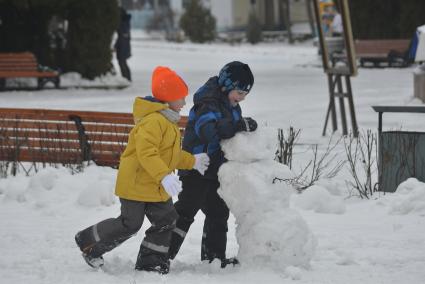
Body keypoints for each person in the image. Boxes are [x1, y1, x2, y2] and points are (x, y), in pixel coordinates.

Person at [74, 66, 210, 274]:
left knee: (167, 220)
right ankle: (89, 242)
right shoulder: (154, 121)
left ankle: (151, 262)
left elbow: (169, 156)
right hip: (136, 184)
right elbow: (147, 153)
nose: (184, 102)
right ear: (168, 98)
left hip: (155, 187)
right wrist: (164, 175)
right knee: (130, 224)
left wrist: (192, 161)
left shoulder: (168, 121)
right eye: (181, 97)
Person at [168, 61, 258, 268]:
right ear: (226, 85)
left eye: (245, 95)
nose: (241, 98)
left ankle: (214, 258)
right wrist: (236, 125)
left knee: (218, 213)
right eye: (239, 92)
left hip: (215, 169)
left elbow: (230, 136)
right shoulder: (206, 101)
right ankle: (162, 253)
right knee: (185, 212)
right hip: (197, 167)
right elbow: (208, 130)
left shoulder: (231, 106)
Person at [115, 8, 132, 81]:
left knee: (122, 62)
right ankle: (127, 78)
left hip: (123, 46)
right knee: (122, 62)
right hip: (123, 45)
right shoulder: (125, 22)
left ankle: (126, 78)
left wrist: (116, 45)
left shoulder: (123, 23)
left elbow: (122, 36)